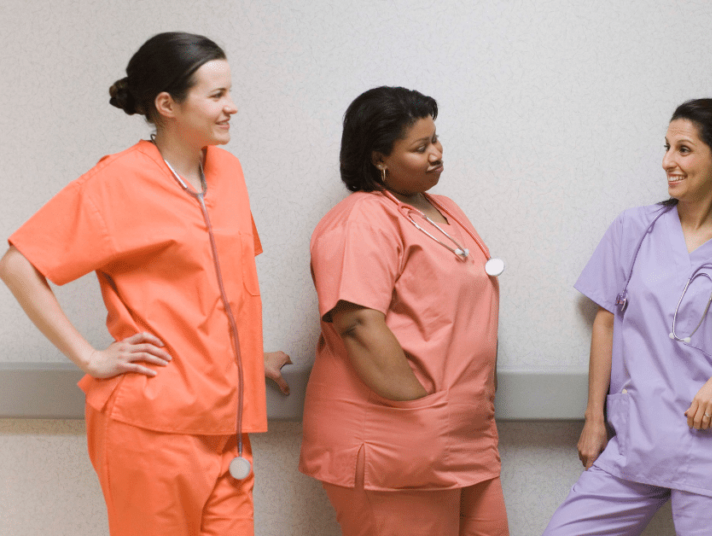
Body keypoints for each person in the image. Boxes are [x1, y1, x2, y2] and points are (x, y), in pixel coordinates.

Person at [0, 32, 291, 536]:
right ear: (167, 104)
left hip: (229, 428)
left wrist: (244, 356)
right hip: (153, 426)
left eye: (230, 92)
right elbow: (18, 264)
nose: (232, 107)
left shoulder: (228, 171)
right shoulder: (117, 181)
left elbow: (222, 284)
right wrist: (91, 358)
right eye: (217, 95)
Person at [543, 98, 712, 536]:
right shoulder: (634, 229)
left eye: (683, 149)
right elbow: (606, 321)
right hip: (638, 439)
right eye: (667, 147)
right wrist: (593, 419)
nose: (668, 161)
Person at [299, 86, 508, 536]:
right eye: (419, 147)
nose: (436, 154)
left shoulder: (445, 210)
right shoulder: (362, 217)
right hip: (396, 436)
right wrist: (422, 412)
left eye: (436, 139)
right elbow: (358, 325)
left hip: (464, 436)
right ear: (379, 158)